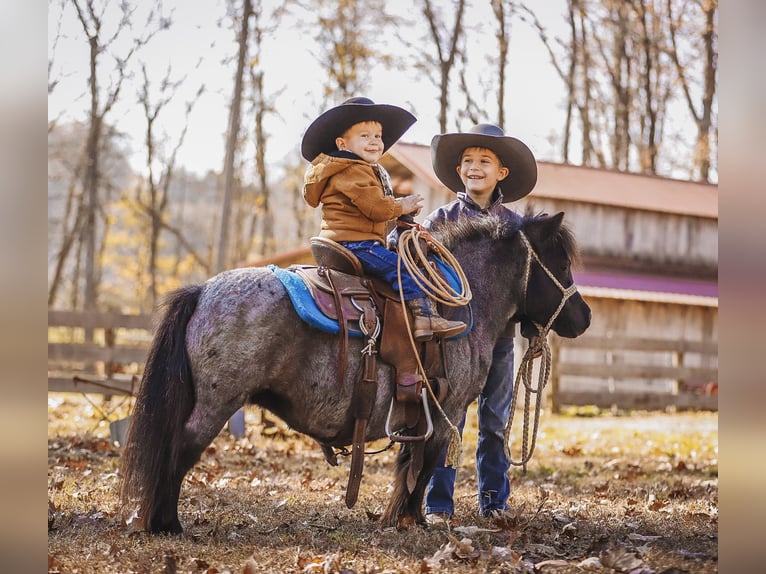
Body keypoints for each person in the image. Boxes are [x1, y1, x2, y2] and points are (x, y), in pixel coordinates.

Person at [419, 123, 539, 523]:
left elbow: (528, 289)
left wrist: (533, 329)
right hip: (452, 340)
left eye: (484, 161)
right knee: (449, 421)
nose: (474, 167)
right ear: (458, 170)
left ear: (501, 172)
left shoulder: (516, 229)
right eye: (467, 161)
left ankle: (494, 501)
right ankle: (438, 503)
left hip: (500, 343)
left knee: (495, 422)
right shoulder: (441, 221)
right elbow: (421, 271)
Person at [301, 96, 467, 341]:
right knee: (402, 269)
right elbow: (375, 208)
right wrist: (401, 205)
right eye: (364, 136)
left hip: (352, 239)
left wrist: (401, 212)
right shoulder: (351, 168)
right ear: (342, 143)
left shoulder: (359, 168)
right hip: (356, 244)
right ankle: (424, 317)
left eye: (378, 136)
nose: (374, 142)